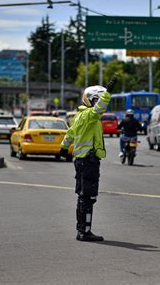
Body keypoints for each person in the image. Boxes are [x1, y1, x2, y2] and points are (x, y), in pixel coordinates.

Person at [60, 77, 117, 242]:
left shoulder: (80, 116)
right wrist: (107, 93)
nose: (100, 104)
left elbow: (70, 133)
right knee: (88, 197)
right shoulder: (90, 115)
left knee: (83, 196)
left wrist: (64, 147)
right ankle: (84, 232)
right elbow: (98, 110)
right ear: (90, 100)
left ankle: (82, 230)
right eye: (97, 100)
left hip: (82, 160)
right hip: (88, 160)